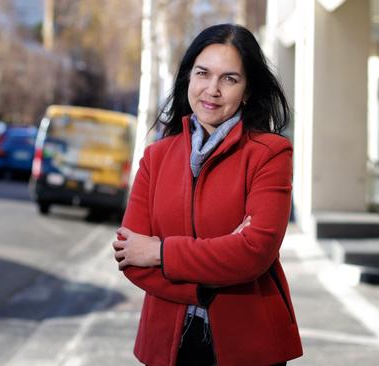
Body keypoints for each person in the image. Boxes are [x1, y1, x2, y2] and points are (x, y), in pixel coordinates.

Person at [112, 23, 302, 366]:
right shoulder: (156, 157)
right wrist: (206, 283)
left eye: (229, 79)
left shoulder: (270, 153)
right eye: (203, 74)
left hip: (250, 344)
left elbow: (254, 251)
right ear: (188, 78)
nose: (212, 89)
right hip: (167, 345)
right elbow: (130, 255)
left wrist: (161, 251)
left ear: (247, 90)